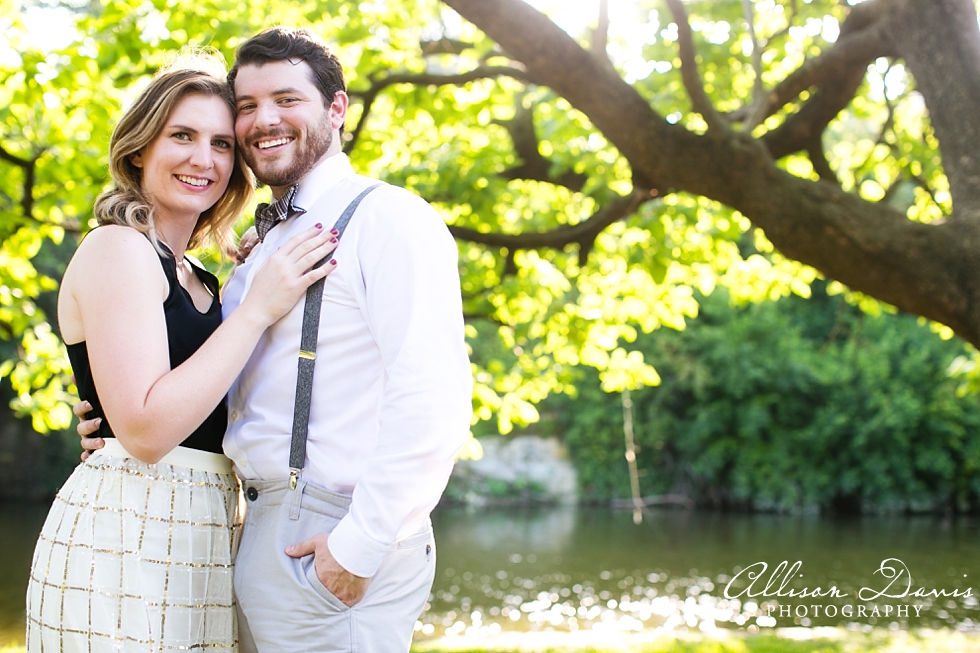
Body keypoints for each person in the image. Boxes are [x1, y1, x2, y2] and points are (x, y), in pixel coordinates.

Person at [80, 27, 473, 653]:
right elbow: (220, 385)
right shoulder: (257, 254)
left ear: (337, 108)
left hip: (327, 532)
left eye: (287, 99)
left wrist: (360, 545)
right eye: (247, 105)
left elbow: (434, 396)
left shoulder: (388, 218)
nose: (264, 121)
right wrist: (114, 421)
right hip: (244, 524)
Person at [31, 53, 339, 652]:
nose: (204, 159)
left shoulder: (202, 276)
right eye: (183, 136)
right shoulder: (118, 248)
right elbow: (146, 434)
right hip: (123, 536)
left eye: (223, 143)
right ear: (139, 149)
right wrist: (257, 308)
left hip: (206, 532)